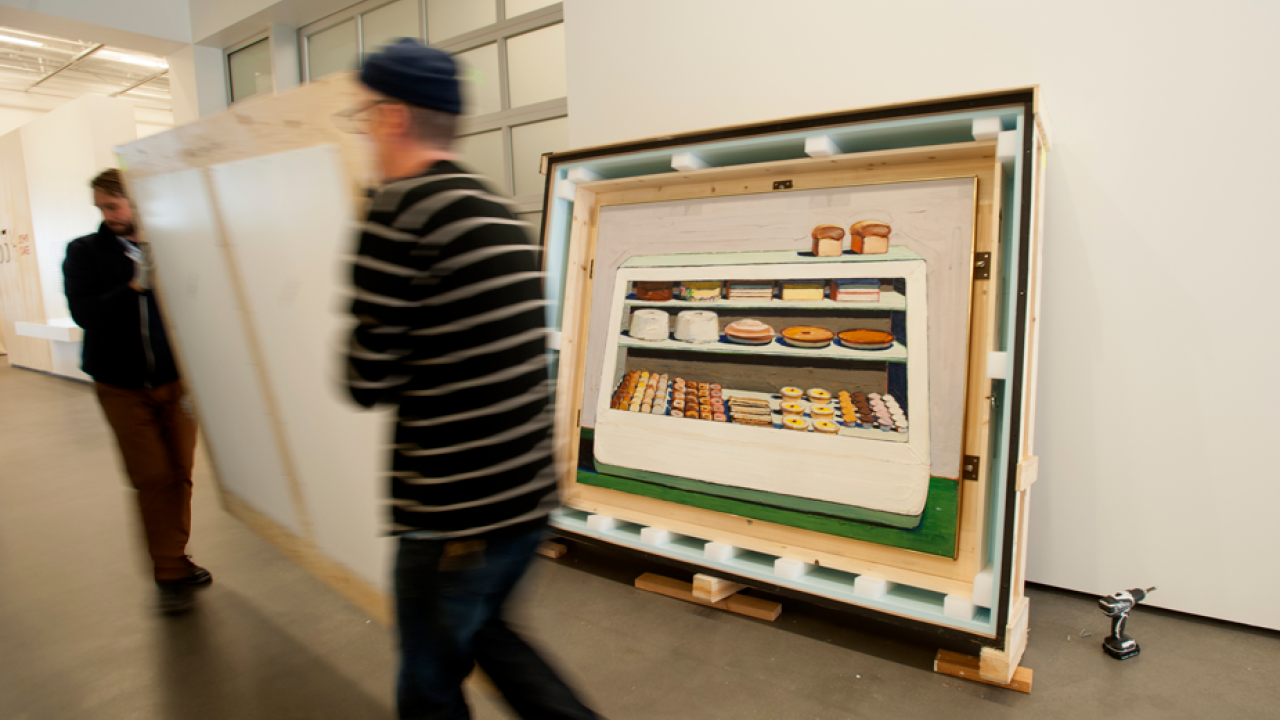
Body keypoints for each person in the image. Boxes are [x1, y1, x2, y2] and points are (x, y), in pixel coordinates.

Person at [343, 38, 596, 720]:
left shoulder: (397, 213)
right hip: (524, 497)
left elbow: (365, 378)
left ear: (393, 117)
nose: (362, 129)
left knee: (428, 681)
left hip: (451, 514)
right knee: (490, 637)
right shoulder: (497, 213)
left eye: (363, 114)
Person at [64, 169, 210, 614]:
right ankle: (167, 565)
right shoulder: (85, 253)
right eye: (101, 208)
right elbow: (85, 314)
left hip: (175, 383)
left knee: (181, 472)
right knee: (152, 476)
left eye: (113, 206)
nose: (107, 216)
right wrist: (133, 287)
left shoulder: (172, 245)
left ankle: (177, 556)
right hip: (122, 387)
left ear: (136, 202)